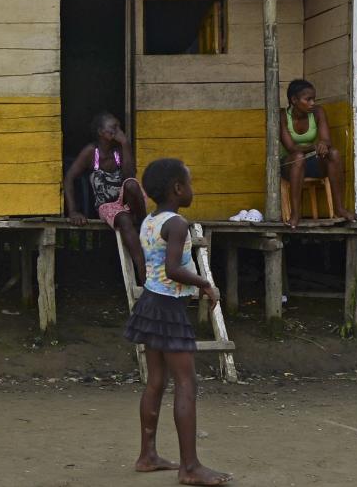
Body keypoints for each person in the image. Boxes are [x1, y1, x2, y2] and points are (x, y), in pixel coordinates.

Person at [124, 158, 232, 486]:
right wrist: (204, 283)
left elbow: (160, 268)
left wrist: (191, 284)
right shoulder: (178, 224)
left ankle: (148, 455)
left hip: (150, 304)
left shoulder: (149, 222)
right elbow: (172, 268)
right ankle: (190, 467)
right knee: (187, 383)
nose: (192, 188)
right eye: (190, 182)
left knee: (156, 381)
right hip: (168, 309)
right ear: (177, 188)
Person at [64, 112, 147, 285]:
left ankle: (145, 225)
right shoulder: (90, 152)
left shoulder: (118, 151)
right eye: (113, 128)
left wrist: (125, 144)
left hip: (127, 202)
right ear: (101, 132)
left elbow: (130, 175)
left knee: (132, 184)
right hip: (107, 206)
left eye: (119, 127)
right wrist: (73, 211)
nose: (118, 131)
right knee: (124, 220)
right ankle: (144, 277)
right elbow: (69, 178)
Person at [279, 79, 356, 228]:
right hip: (289, 165)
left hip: (311, 164)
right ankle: (295, 214)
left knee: (333, 153)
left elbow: (326, 140)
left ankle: (339, 208)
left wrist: (323, 145)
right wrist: (315, 146)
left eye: (313, 99)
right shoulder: (283, 116)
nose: (312, 103)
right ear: (294, 100)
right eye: (307, 99)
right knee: (298, 157)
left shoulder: (318, 112)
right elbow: (291, 148)